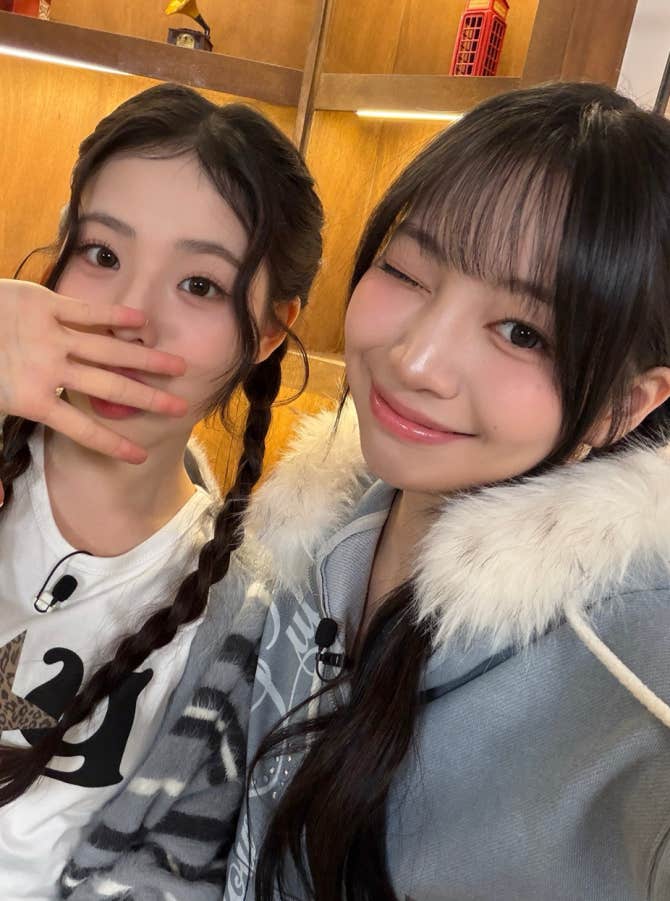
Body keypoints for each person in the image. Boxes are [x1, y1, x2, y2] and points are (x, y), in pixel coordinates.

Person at [64, 80, 670, 901]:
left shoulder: (635, 672)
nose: (416, 360)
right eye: (409, 272)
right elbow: (186, 844)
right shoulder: (299, 542)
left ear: (626, 404)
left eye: (523, 331)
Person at [0, 81, 323, 899]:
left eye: (200, 285)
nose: (131, 318)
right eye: (103, 256)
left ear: (271, 330)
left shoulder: (241, 625)